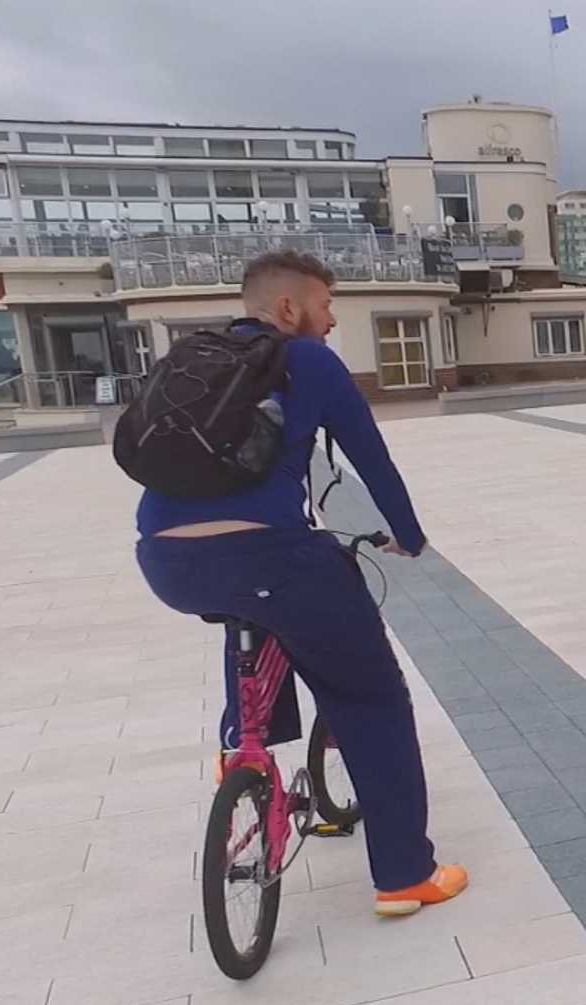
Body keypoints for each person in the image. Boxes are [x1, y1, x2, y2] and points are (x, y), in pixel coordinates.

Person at [133, 250, 466, 915]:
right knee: (372, 697)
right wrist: (408, 534)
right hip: (270, 555)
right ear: (288, 308)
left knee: (253, 614)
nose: (332, 320)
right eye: (325, 305)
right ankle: (405, 875)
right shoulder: (309, 361)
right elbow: (372, 459)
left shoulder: (195, 362)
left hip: (165, 562)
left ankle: (243, 748)